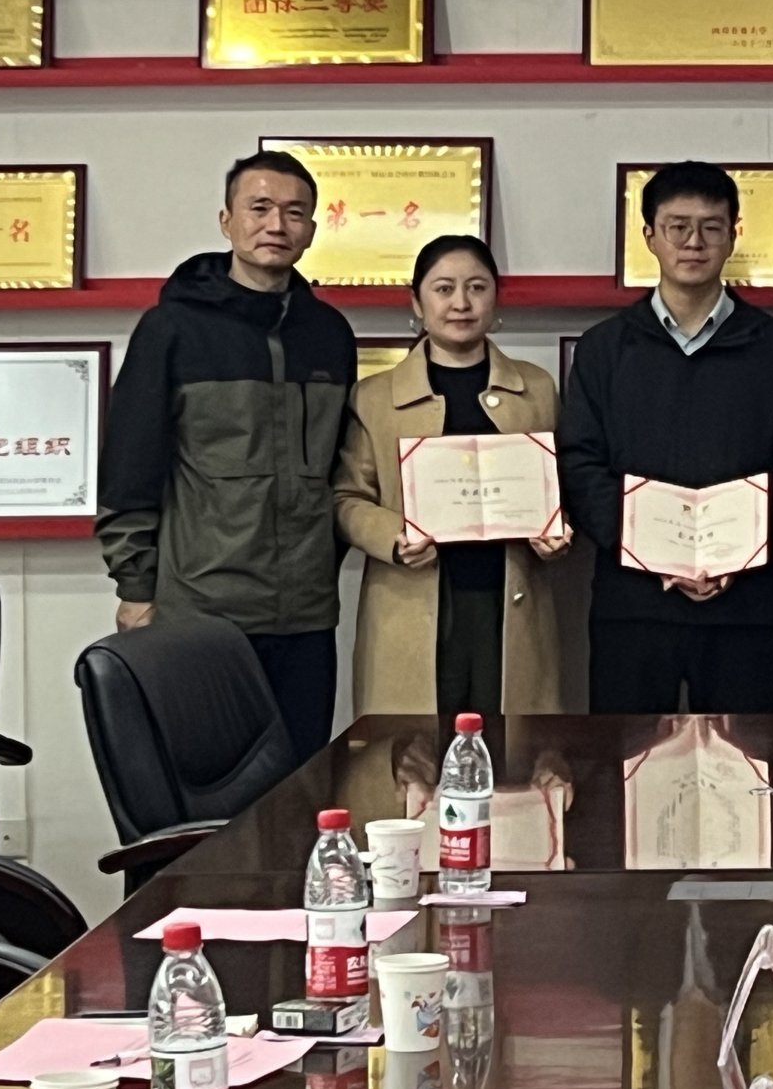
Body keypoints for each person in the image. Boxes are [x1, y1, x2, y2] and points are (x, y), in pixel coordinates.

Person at [96, 150, 355, 760]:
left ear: (311, 230)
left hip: (306, 615)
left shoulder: (330, 334)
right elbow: (129, 468)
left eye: (294, 213)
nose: (276, 225)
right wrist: (136, 587)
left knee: (300, 782)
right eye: (259, 208)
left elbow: (341, 469)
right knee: (210, 781)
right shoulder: (172, 330)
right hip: (202, 611)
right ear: (226, 221)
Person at [557, 161, 773, 712]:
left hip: (744, 609)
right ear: (649, 235)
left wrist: (738, 555)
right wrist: (653, 555)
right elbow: (581, 466)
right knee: (626, 759)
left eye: (711, 227)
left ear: (733, 235)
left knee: (744, 762)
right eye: (677, 226)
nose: (693, 242)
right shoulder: (604, 349)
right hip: (632, 608)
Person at [333, 235, 570, 721]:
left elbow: (565, 485)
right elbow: (347, 498)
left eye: (476, 287)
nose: (461, 303)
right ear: (417, 302)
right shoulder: (374, 397)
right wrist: (394, 537)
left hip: (509, 599)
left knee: (512, 748)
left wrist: (559, 528)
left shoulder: (537, 388)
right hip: (411, 600)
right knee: (413, 754)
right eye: (443, 289)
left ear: (496, 298)